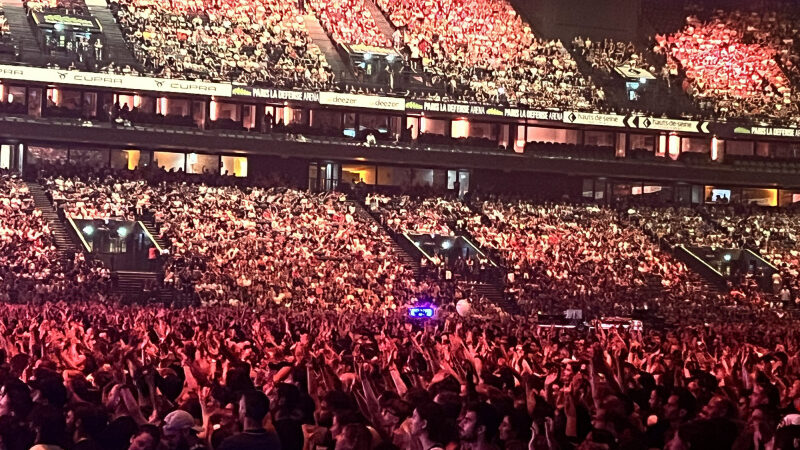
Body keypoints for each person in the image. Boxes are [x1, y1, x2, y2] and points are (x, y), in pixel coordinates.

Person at [218, 390, 282, 450]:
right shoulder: (274, 440)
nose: (239, 410)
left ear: (244, 410)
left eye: (240, 406)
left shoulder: (231, 444)